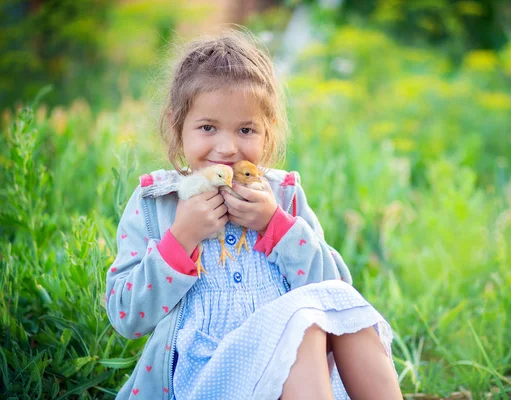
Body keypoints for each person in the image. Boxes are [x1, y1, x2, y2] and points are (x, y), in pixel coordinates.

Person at [105, 28, 403, 400]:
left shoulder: (283, 195)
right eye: (208, 127)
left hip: (291, 379)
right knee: (301, 324)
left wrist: (276, 226)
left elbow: (335, 294)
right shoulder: (158, 202)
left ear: (268, 133)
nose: (228, 147)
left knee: (320, 317)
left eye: (246, 129)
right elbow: (125, 316)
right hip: (207, 376)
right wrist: (180, 239)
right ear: (176, 126)